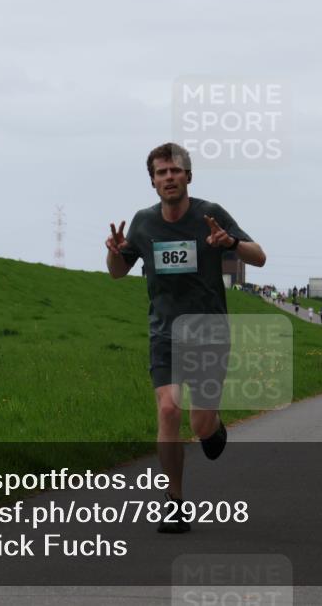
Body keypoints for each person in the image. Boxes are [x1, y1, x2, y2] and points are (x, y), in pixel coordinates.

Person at [106, 142, 266, 533]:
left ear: (188, 176)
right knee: (167, 410)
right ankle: (174, 503)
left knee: (200, 425)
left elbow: (259, 256)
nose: (169, 178)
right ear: (153, 182)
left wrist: (229, 243)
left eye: (175, 171)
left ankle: (214, 428)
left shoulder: (210, 214)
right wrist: (113, 252)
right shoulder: (143, 223)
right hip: (165, 333)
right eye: (161, 173)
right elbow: (116, 272)